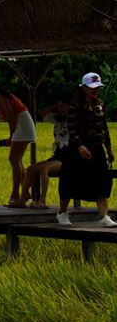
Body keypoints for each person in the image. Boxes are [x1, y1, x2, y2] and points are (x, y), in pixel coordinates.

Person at [56, 72, 116, 227]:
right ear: (84, 88)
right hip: (78, 148)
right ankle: (62, 212)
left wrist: (109, 148)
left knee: (101, 181)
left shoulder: (99, 104)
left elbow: (104, 127)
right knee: (70, 179)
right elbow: (72, 127)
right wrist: (80, 146)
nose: (94, 91)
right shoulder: (75, 104)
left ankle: (104, 216)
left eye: (97, 88)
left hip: (96, 147)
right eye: (91, 88)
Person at [0, 75, 37, 207]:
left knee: (14, 159)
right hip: (21, 123)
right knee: (17, 160)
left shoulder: (0, 95)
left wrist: (11, 135)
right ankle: (24, 193)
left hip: (22, 124)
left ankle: (16, 194)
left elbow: (11, 117)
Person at [19, 97, 70, 209]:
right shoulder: (57, 120)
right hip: (58, 155)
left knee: (44, 169)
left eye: (63, 106)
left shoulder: (74, 120)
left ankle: (42, 200)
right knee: (31, 169)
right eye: (59, 107)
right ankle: (23, 198)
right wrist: (55, 106)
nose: (60, 109)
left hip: (68, 156)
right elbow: (41, 112)